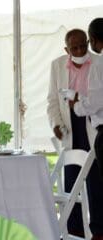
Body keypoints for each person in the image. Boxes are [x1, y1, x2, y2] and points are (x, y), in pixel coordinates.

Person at [47, 28, 103, 238]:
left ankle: (98, 231)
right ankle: (74, 231)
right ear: (66, 49)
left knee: (96, 182)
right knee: (71, 183)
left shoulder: (99, 63)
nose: (80, 50)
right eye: (74, 48)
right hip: (70, 129)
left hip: (94, 126)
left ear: (89, 42)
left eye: (83, 45)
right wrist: (56, 124)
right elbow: (52, 102)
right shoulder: (57, 66)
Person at [72, 18, 103, 240]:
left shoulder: (99, 64)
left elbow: (94, 102)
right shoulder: (58, 65)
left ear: (93, 40)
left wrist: (76, 106)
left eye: (86, 42)